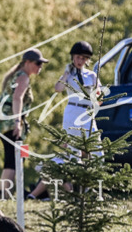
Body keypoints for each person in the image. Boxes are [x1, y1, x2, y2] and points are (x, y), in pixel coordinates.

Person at [26, 40, 104, 198]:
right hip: (72, 112)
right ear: (73, 58)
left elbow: (100, 97)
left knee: (98, 153)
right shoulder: (69, 75)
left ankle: (92, 188)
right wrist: (66, 73)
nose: (80, 61)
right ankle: (77, 192)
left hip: (87, 113)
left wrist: (95, 99)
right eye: (78, 58)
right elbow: (58, 89)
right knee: (74, 154)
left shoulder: (92, 75)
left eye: (83, 58)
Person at [0, 48, 48, 199]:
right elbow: (17, 98)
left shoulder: (18, 75)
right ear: (27, 62)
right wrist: (17, 122)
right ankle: (3, 194)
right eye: (38, 63)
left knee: (17, 156)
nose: (40, 67)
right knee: (15, 157)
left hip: (5, 121)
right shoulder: (23, 77)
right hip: (11, 121)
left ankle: (3, 192)